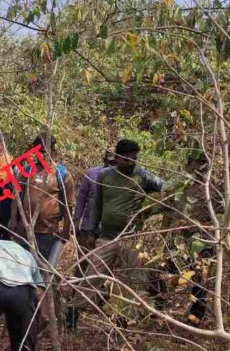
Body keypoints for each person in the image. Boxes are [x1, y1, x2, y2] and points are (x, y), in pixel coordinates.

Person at [67, 139, 163, 329]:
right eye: (127, 159)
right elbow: (97, 206)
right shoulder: (104, 176)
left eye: (134, 158)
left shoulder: (143, 176)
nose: (131, 162)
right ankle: (72, 314)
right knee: (91, 277)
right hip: (106, 237)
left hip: (131, 239)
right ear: (117, 157)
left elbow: (165, 187)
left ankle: (123, 322)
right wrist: (91, 232)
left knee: (131, 281)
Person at [148, 150, 217, 323]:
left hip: (203, 241)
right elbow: (163, 205)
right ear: (188, 164)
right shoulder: (178, 187)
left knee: (201, 280)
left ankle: (196, 317)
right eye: (196, 163)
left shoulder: (213, 190)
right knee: (159, 271)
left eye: (203, 163)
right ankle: (158, 308)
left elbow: (221, 217)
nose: (199, 167)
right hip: (178, 240)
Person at [9, 132, 75, 270]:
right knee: (21, 268)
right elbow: (16, 196)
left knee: (43, 270)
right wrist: (13, 220)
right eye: (39, 151)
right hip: (25, 230)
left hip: (48, 232)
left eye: (45, 151)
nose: (42, 155)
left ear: (53, 151)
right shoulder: (26, 171)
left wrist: (66, 231)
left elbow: (68, 205)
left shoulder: (62, 175)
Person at [72, 150, 115, 276]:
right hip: (88, 227)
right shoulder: (91, 174)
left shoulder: (121, 179)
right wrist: (76, 222)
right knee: (83, 261)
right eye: (109, 162)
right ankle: (77, 286)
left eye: (114, 163)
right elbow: (81, 199)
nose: (111, 165)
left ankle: (98, 288)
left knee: (102, 265)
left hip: (107, 230)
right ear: (104, 160)